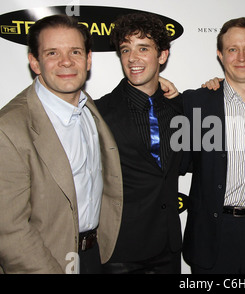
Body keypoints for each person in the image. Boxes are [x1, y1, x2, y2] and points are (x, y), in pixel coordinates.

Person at [0, 14, 122, 274]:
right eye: (53, 53)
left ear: (88, 59)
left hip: (94, 257)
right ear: (35, 62)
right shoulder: (9, 128)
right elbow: (9, 230)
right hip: (44, 262)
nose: (66, 61)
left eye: (75, 52)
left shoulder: (90, 108)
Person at [179, 17, 245, 274]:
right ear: (220, 55)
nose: (241, 57)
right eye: (232, 49)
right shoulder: (197, 103)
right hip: (213, 233)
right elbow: (180, 162)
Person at [95, 12, 183, 274]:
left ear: (162, 55)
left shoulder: (180, 108)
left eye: (143, 48)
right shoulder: (99, 112)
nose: (132, 58)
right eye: (125, 50)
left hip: (168, 248)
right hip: (120, 252)